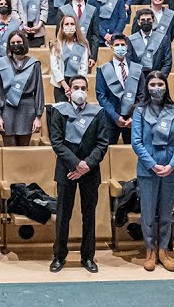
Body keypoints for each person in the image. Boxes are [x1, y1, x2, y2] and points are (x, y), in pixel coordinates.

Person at [47, 74, 111, 273]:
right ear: (69, 91)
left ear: (88, 90)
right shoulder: (58, 111)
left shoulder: (98, 113)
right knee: (63, 215)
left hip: (90, 172)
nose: (80, 92)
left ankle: (88, 257)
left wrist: (86, 165)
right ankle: (59, 256)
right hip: (66, 171)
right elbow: (56, 142)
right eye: (76, 87)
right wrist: (75, 165)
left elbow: (102, 143)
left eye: (83, 88)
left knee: (89, 215)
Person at [131, 71, 174, 272]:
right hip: (148, 169)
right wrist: (152, 164)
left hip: (171, 169)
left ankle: (163, 250)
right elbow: (136, 141)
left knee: (165, 213)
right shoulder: (139, 110)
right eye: (152, 84)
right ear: (147, 87)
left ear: (166, 86)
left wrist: (172, 164)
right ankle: (150, 250)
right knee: (148, 213)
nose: (156, 88)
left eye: (160, 84)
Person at [0, 30, 43, 146]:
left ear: (24, 43)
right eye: (12, 43)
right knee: (10, 151)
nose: (16, 45)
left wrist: (38, 117)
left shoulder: (34, 64)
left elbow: (39, 91)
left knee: (23, 153)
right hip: (7, 110)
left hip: (27, 110)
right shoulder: (1, 63)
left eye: (19, 42)